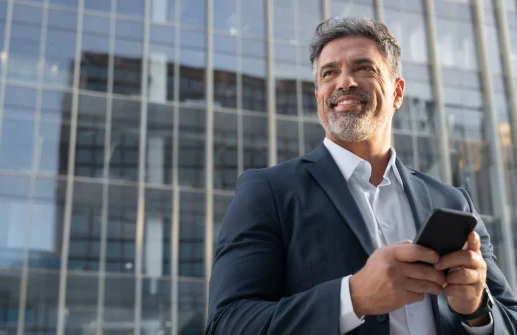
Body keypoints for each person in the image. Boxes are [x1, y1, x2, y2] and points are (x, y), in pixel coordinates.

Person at [205, 16, 517, 334]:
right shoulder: (268, 191)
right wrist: (352, 298)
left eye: (363, 68)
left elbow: (511, 318)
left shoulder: (452, 201)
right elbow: (227, 323)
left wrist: (477, 312)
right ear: (318, 98)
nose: (345, 82)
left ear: (397, 92)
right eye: (329, 73)